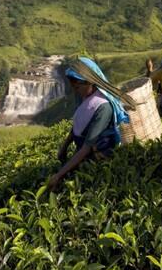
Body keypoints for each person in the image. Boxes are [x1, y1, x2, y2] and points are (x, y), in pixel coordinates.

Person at [47, 57, 136, 191]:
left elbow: (87, 147)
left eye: (77, 87)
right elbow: (79, 123)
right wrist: (64, 146)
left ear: (90, 82)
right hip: (83, 151)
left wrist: (59, 175)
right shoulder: (86, 96)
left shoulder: (103, 107)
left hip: (99, 157)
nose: (76, 91)